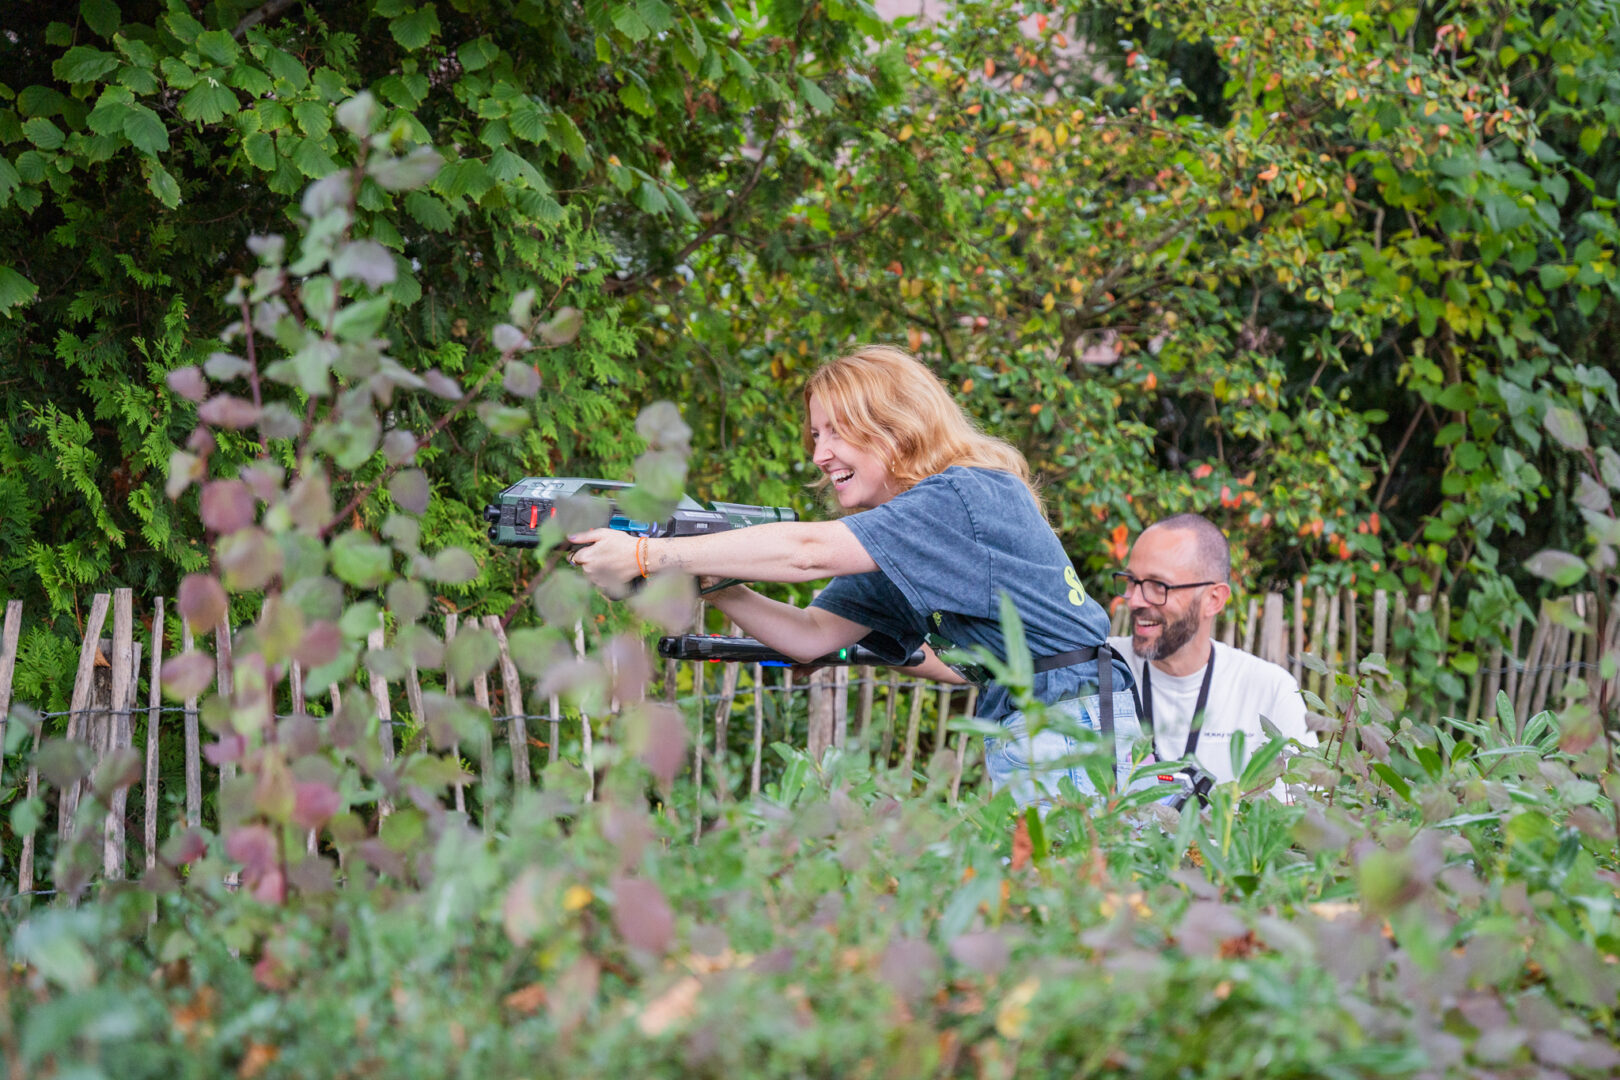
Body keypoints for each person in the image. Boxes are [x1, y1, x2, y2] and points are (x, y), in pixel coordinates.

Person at [571, 344, 1143, 809]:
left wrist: (649, 556)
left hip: (1067, 721)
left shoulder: (964, 494)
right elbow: (811, 635)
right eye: (816, 436)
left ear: (895, 424)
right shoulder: (904, 536)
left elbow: (809, 552)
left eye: (837, 431)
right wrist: (709, 581)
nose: (820, 454)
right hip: (1036, 721)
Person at [1106, 514, 1317, 801]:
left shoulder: (1271, 692)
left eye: (1159, 586)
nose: (1135, 599)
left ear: (1214, 600)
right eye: (1131, 581)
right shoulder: (1103, 669)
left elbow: (1308, 813)